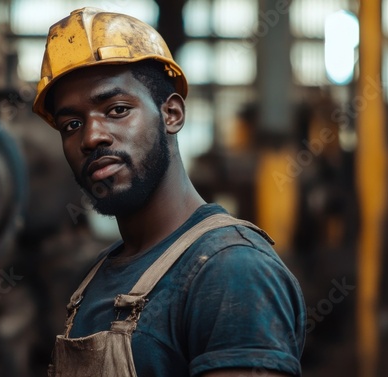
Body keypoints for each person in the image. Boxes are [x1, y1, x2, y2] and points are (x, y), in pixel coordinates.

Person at [32, 7, 306, 377]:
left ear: (172, 114)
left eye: (116, 109)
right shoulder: (97, 275)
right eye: (72, 124)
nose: (91, 137)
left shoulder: (231, 271)